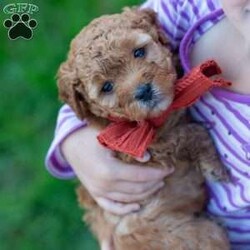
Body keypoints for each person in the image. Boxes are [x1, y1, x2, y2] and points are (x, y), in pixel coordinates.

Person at [45, 0, 250, 248]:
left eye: (140, 53)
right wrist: (76, 143)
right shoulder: (185, 8)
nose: (138, 86)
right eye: (107, 88)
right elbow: (77, 108)